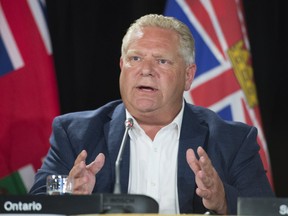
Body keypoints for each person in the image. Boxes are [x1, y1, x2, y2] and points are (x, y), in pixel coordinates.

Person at [29, 14, 274, 214]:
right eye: (135, 58)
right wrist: (69, 191)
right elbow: (36, 202)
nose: (146, 70)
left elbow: (267, 212)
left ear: (188, 76)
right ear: (122, 66)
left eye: (162, 61)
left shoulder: (232, 140)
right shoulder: (74, 133)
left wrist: (223, 200)